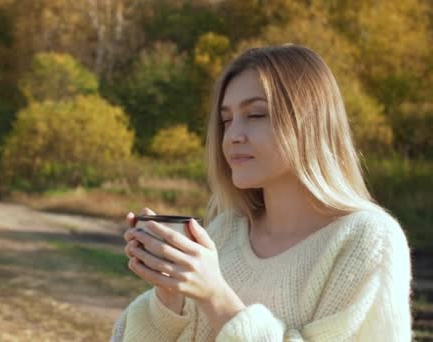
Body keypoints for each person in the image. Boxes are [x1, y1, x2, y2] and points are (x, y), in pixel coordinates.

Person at [110, 44, 413, 341]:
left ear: (309, 122)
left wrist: (215, 296)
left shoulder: (367, 240)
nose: (232, 137)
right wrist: (168, 296)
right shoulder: (226, 231)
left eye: (255, 115)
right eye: (227, 120)